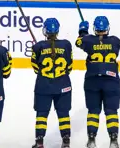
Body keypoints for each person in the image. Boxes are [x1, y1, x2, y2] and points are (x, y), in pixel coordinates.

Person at [76, 16, 120, 148]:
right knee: (111, 111)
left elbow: (79, 42)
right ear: (108, 28)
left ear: (95, 28)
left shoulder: (88, 40)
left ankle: (91, 139)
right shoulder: (116, 41)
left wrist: (83, 32)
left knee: (93, 111)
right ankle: (113, 140)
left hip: (93, 80)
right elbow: (103, 44)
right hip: (112, 81)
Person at [31, 18, 73, 148]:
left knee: (42, 114)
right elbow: (70, 66)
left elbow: (35, 67)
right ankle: (66, 140)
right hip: (63, 85)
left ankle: (39, 141)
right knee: (64, 113)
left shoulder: (38, 47)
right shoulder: (66, 44)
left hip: (44, 86)